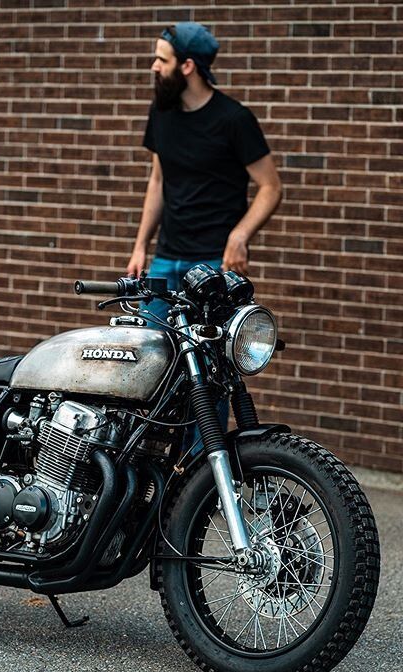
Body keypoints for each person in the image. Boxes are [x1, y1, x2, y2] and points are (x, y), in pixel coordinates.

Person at [126, 22, 282, 452]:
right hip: (165, 261)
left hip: (212, 267)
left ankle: (199, 478)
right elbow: (158, 181)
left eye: (161, 59)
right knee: (146, 364)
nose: (154, 67)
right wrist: (141, 246)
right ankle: (147, 468)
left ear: (188, 66)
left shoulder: (234, 119)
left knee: (208, 379)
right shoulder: (161, 114)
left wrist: (241, 234)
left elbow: (271, 186)